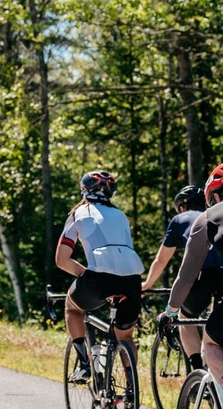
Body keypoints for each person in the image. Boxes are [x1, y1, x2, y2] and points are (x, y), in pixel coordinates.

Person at [55, 170, 144, 382]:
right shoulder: (121, 216)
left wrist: (84, 274)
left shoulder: (78, 213)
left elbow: (61, 259)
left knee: (72, 308)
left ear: (84, 191)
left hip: (99, 278)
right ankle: (132, 391)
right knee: (126, 337)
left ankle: (85, 364)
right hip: (132, 280)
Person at [142, 185, 223, 370]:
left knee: (185, 316)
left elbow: (161, 260)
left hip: (204, 276)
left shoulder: (182, 219)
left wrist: (147, 284)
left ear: (181, 206)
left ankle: (197, 369)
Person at [159, 164, 223, 384]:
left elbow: (185, 276)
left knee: (211, 341)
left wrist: (169, 312)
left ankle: (198, 369)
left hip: (202, 279)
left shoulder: (207, 217)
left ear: (214, 195)